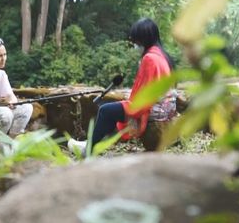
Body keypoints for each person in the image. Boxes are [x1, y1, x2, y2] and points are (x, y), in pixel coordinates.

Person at [68, 18, 176, 155]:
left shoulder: (150, 58)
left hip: (155, 109)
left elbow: (144, 95)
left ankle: (88, 150)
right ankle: (92, 143)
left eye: (136, 41)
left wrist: (130, 105)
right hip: (165, 108)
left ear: (144, 39)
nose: (134, 45)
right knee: (112, 109)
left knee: (105, 110)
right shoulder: (161, 55)